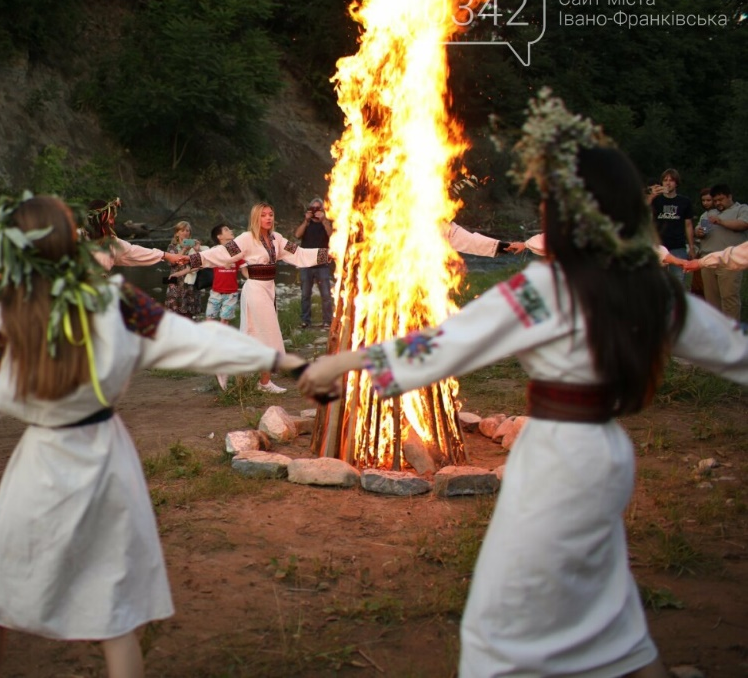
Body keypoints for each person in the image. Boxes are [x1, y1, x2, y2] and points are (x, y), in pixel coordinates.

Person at [296, 91, 748, 678]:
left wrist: (343, 364)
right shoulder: (653, 290)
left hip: (556, 457)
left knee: (500, 618)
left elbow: (442, 346)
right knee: (601, 589)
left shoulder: (543, 290)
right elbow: (736, 348)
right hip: (610, 453)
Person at [0, 193, 303, 678]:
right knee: (112, 610)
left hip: (39, 460)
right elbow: (193, 341)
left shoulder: (6, 316)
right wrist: (280, 360)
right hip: (103, 456)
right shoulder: (111, 301)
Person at [189, 202, 331, 393]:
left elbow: (299, 254)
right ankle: (257, 379)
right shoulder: (246, 238)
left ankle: (251, 376)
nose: (268, 218)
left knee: (256, 335)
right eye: (263, 215)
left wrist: (329, 254)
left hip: (269, 288)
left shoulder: (277, 239)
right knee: (268, 333)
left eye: (270, 214)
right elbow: (222, 253)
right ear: (256, 218)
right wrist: (192, 259)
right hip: (255, 288)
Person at [693, 183, 748, 320]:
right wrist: (698, 232)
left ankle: (731, 328)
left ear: (729, 197)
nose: (718, 203)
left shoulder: (741, 209)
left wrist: (720, 221)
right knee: (711, 300)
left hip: (730, 261)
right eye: (715, 200)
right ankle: (716, 328)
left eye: (721, 199)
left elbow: (743, 224)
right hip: (708, 260)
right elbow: (698, 231)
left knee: (729, 298)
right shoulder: (708, 214)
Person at [85, 197, 188, 271]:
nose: (112, 222)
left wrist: (167, 256)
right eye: (110, 218)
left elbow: (134, 251)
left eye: (113, 218)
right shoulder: (78, 238)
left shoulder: (111, 243)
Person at [204, 223, 247, 389]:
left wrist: (256, 279)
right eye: (227, 230)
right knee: (209, 321)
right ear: (219, 236)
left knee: (224, 322)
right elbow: (201, 261)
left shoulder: (236, 251)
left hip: (231, 293)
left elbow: (244, 271)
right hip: (215, 292)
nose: (231, 231)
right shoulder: (214, 251)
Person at [647, 168, 695, 284]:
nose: (668, 183)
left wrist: (691, 247)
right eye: (665, 180)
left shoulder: (684, 201)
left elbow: (688, 225)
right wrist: (651, 196)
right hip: (658, 245)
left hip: (678, 246)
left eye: (671, 180)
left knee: (678, 281)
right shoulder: (656, 200)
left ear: (676, 183)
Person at [294, 197, 334, 328]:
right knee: (305, 294)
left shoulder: (326, 223)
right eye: (313, 208)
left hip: (322, 261)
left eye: (318, 208)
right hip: (306, 262)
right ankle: (305, 320)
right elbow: (297, 235)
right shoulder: (307, 223)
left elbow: (332, 236)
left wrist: (324, 221)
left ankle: (327, 321)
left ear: (322, 209)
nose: (315, 211)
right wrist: (306, 221)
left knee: (326, 294)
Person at [163, 220, 202, 318]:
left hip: (190, 282)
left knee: (189, 313)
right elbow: (171, 262)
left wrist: (197, 250)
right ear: (177, 233)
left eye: (187, 231)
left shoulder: (193, 247)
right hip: (176, 281)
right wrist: (184, 249)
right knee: (174, 312)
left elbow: (199, 265)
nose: (185, 233)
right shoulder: (172, 246)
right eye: (182, 230)